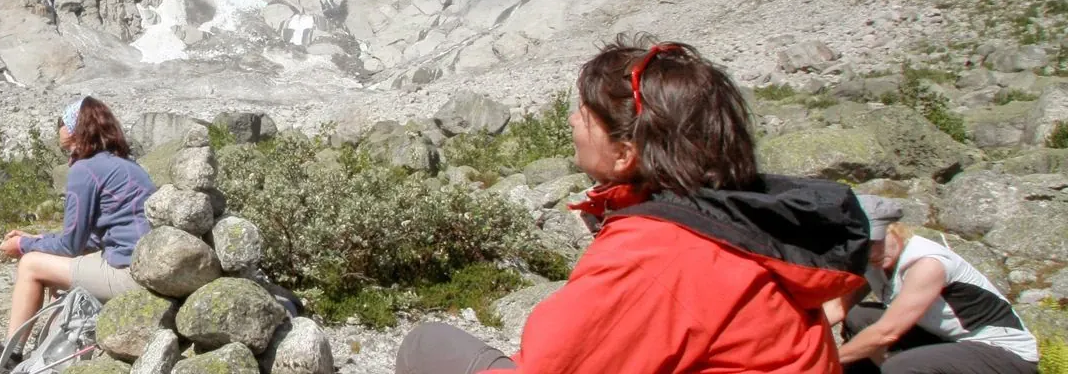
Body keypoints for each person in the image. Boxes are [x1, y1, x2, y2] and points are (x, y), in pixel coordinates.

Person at [397, 38, 871, 374]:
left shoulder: (659, 253)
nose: (570, 120)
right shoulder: (731, 217)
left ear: (626, 154)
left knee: (427, 344)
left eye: (584, 114)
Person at [827, 196, 1039, 374]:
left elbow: (887, 332)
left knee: (900, 367)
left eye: (877, 242)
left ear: (895, 229)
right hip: (950, 342)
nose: (872, 253)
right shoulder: (870, 261)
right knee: (860, 316)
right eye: (863, 245)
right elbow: (837, 308)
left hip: (1004, 354)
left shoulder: (927, 263)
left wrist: (822, 363)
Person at [0, 97, 156, 334]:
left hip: (129, 274)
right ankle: (58, 347)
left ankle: (10, 357)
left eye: (70, 149)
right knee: (55, 270)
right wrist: (37, 239)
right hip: (146, 267)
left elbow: (71, 245)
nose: (70, 158)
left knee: (31, 265)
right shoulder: (125, 164)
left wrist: (23, 245)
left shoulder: (86, 169)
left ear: (81, 133)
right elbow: (90, 240)